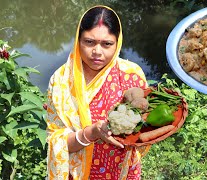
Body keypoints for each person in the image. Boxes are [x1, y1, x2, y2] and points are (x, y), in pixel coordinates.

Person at [46, 5, 150, 179]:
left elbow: (144, 127)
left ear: (118, 43)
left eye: (107, 44)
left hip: (121, 173)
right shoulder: (61, 81)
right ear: (78, 40)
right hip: (77, 174)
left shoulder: (131, 75)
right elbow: (56, 141)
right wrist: (90, 133)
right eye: (89, 42)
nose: (97, 52)